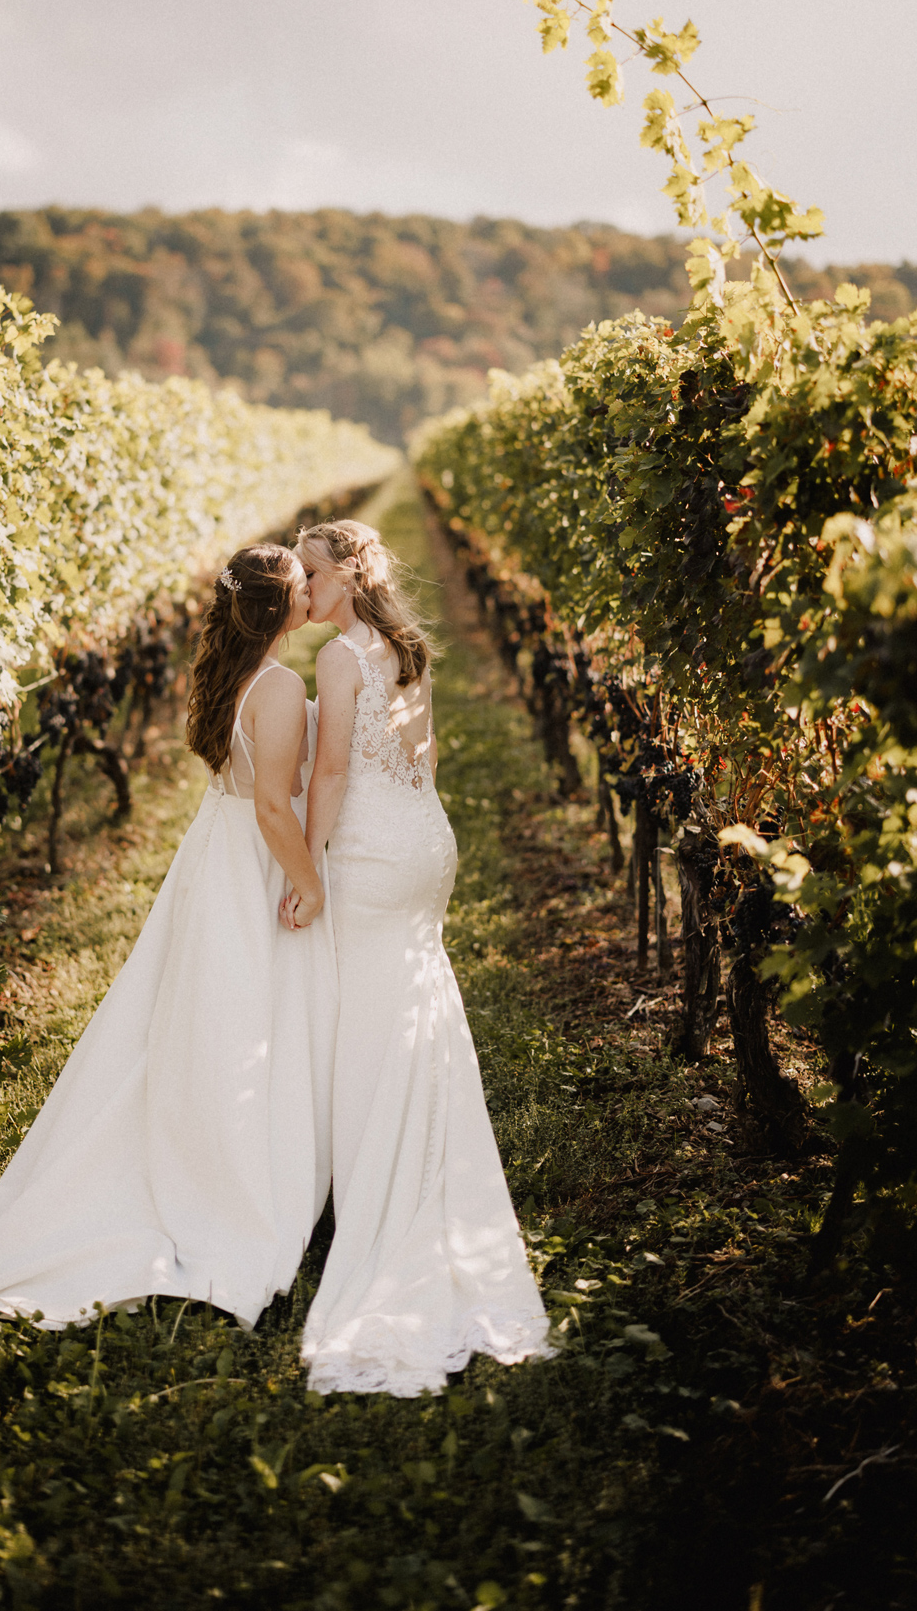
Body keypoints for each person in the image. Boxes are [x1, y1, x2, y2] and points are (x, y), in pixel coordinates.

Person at [0, 543, 333, 1332]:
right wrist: (308, 881)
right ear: (278, 606)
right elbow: (275, 806)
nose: (313, 589)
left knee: (215, 1012)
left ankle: (212, 1148)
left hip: (218, 851)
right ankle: (235, 1177)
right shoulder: (277, 685)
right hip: (252, 859)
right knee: (245, 1015)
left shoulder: (236, 673)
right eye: (302, 583)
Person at [290, 519, 550, 1395]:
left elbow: (332, 774)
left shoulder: (339, 658)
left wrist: (311, 868)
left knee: (372, 1017)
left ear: (347, 576)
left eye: (312, 573)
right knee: (415, 1003)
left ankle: (383, 1196)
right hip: (425, 842)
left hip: (372, 851)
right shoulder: (406, 646)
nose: (304, 587)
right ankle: (427, 1170)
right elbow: (423, 759)